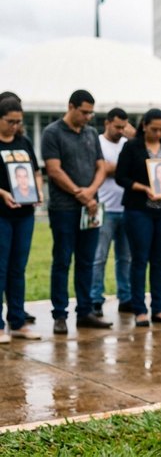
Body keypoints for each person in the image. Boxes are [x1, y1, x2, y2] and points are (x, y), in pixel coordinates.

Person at [42, 89, 112, 335]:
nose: (88, 117)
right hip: (64, 209)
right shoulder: (52, 133)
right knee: (62, 261)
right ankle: (60, 314)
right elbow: (54, 169)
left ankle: (85, 311)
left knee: (86, 261)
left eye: (91, 113)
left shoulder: (91, 133)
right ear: (71, 107)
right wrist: (78, 193)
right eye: (84, 112)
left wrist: (90, 192)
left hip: (90, 208)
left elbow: (101, 167)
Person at [116, 108, 161, 327]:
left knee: (160, 260)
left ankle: (158, 307)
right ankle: (139, 309)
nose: (159, 133)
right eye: (155, 129)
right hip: (139, 210)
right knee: (139, 259)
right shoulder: (131, 147)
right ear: (144, 126)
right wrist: (144, 188)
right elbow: (120, 177)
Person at [0, 98, 43, 342]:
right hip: (2, 214)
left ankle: (17, 321)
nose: (15, 126)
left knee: (18, 269)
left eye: (19, 122)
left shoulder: (24, 142)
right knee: (1, 268)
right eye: (10, 121)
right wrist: (3, 193)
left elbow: (36, 172)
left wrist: (37, 191)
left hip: (24, 215)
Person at [90, 107, 132, 317]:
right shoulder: (97, 142)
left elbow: (131, 169)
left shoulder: (127, 144)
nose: (121, 131)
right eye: (117, 126)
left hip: (126, 208)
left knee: (125, 258)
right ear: (107, 123)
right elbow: (100, 169)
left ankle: (125, 297)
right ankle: (95, 298)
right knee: (99, 257)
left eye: (124, 127)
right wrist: (119, 168)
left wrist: (112, 168)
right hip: (103, 208)